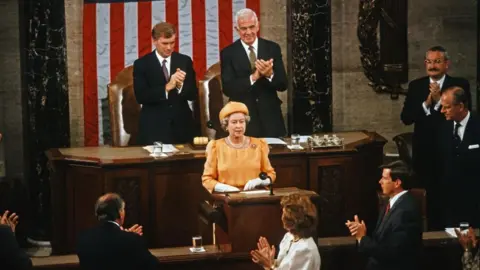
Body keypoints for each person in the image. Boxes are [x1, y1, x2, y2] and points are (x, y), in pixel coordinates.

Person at [400, 45, 471, 230]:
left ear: (446, 64)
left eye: (437, 61)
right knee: (428, 201)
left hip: (451, 150)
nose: (432, 66)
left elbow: (463, 113)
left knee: (451, 197)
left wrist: (440, 100)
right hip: (425, 153)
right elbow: (406, 118)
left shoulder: (460, 85)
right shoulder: (416, 86)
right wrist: (427, 103)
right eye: (429, 62)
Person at [220, 8, 288, 138]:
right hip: (244, 120)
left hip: (271, 119)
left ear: (258, 26)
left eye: (252, 27)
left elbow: (283, 84)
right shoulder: (228, 53)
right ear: (237, 29)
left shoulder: (272, 48)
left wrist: (269, 74)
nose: (248, 32)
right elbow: (228, 89)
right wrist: (254, 77)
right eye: (243, 28)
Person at [346, 160, 422, 270]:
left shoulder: (406, 211)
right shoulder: (392, 202)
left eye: (385, 178)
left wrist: (362, 238)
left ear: (397, 183)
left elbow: (392, 253)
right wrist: (361, 231)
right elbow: (382, 239)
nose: (380, 181)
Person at [133, 22, 197, 145]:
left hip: (183, 127)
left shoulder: (184, 61)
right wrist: (167, 87)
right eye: (165, 43)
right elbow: (141, 96)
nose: (169, 48)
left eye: (172, 43)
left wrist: (180, 85)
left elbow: (193, 94)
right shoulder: (142, 64)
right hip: (154, 128)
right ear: (154, 41)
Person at [202, 101, 276, 192]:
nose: (239, 126)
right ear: (226, 125)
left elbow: (271, 174)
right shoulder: (216, 147)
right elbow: (207, 180)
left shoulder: (259, 144)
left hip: (255, 197)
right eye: (234, 122)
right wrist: (225, 188)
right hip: (227, 199)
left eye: (242, 122)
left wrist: (260, 181)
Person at [76, 193, 158, 270]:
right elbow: (153, 265)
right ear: (120, 213)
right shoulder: (132, 240)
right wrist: (130, 237)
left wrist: (126, 235)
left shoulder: (83, 239)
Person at [438, 86, 480, 228]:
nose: (442, 111)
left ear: (460, 106)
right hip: (450, 203)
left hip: (476, 202)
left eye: (447, 107)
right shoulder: (443, 128)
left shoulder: (478, 125)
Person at [250, 193, 321, 269]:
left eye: (284, 213)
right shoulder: (289, 237)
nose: (281, 217)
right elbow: (284, 267)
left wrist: (267, 265)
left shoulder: (305, 249)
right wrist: (271, 261)